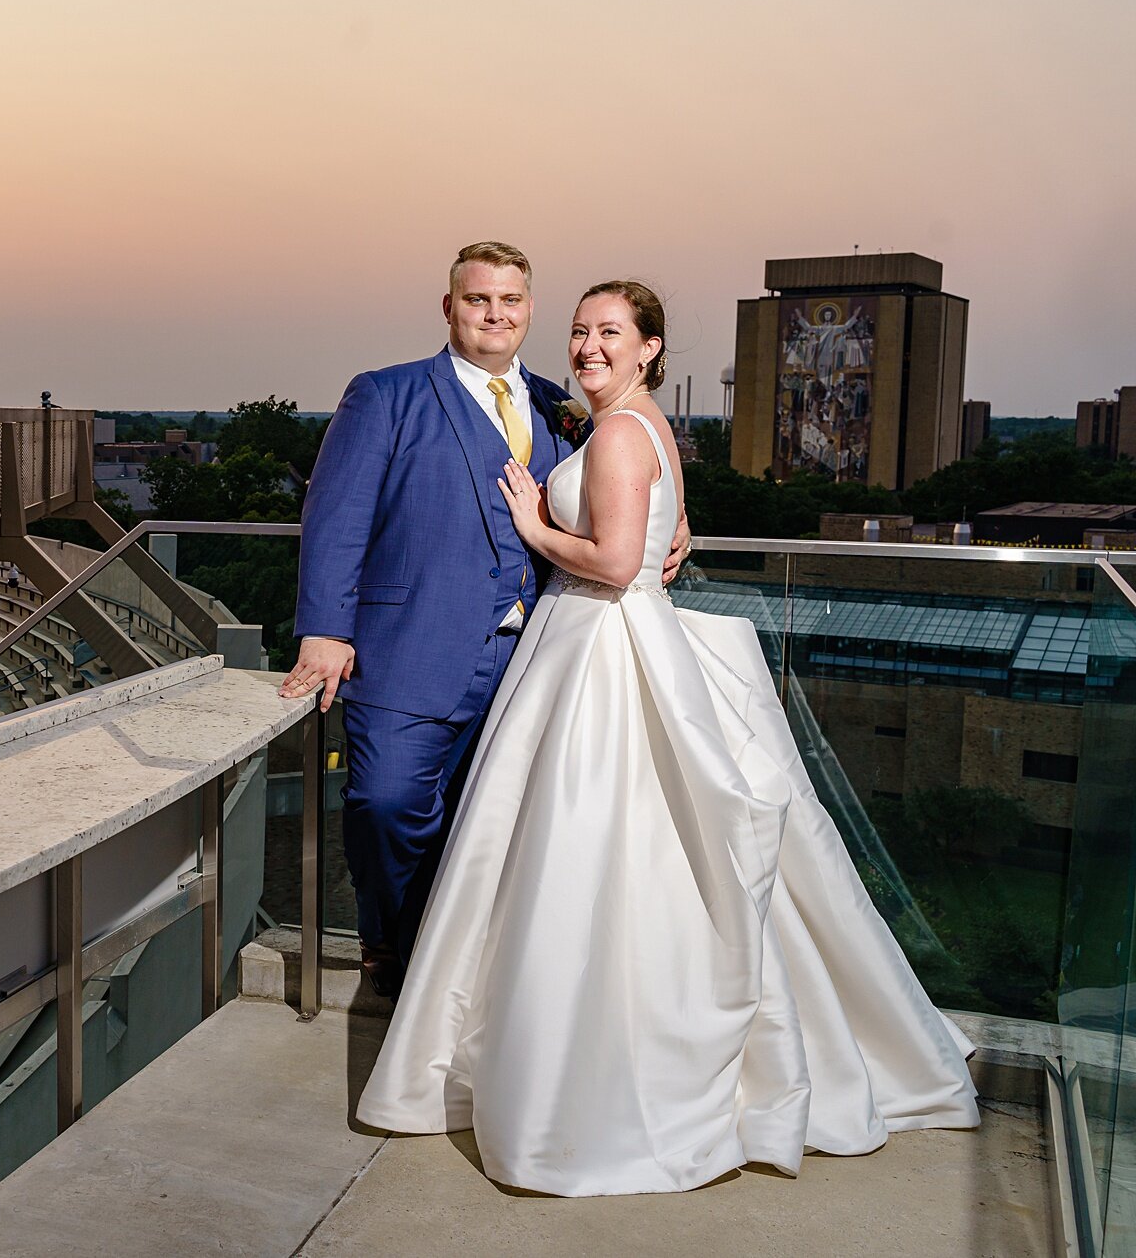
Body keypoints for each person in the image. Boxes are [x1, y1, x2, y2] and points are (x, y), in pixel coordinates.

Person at [354, 280, 980, 1196]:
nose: (587, 345)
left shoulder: (613, 432)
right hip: (619, 636)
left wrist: (534, 523)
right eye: (579, 330)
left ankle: (583, 1070)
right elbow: (651, 532)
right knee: (632, 856)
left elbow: (611, 561)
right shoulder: (646, 426)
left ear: (650, 347)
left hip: (600, 643)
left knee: (585, 851)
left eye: (610, 331)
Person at [281, 242, 684, 997]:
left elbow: (620, 498)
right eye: (478, 300)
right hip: (410, 650)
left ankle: (453, 966)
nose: (495, 314)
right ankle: (389, 941)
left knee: (493, 820)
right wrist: (325, 628)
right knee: (386, 802)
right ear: (450, 307)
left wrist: (674, 530)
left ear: (528, 310)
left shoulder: (562, 407)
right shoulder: (384, 394)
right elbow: (334, 517)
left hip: (537, 656)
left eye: (511, 301)